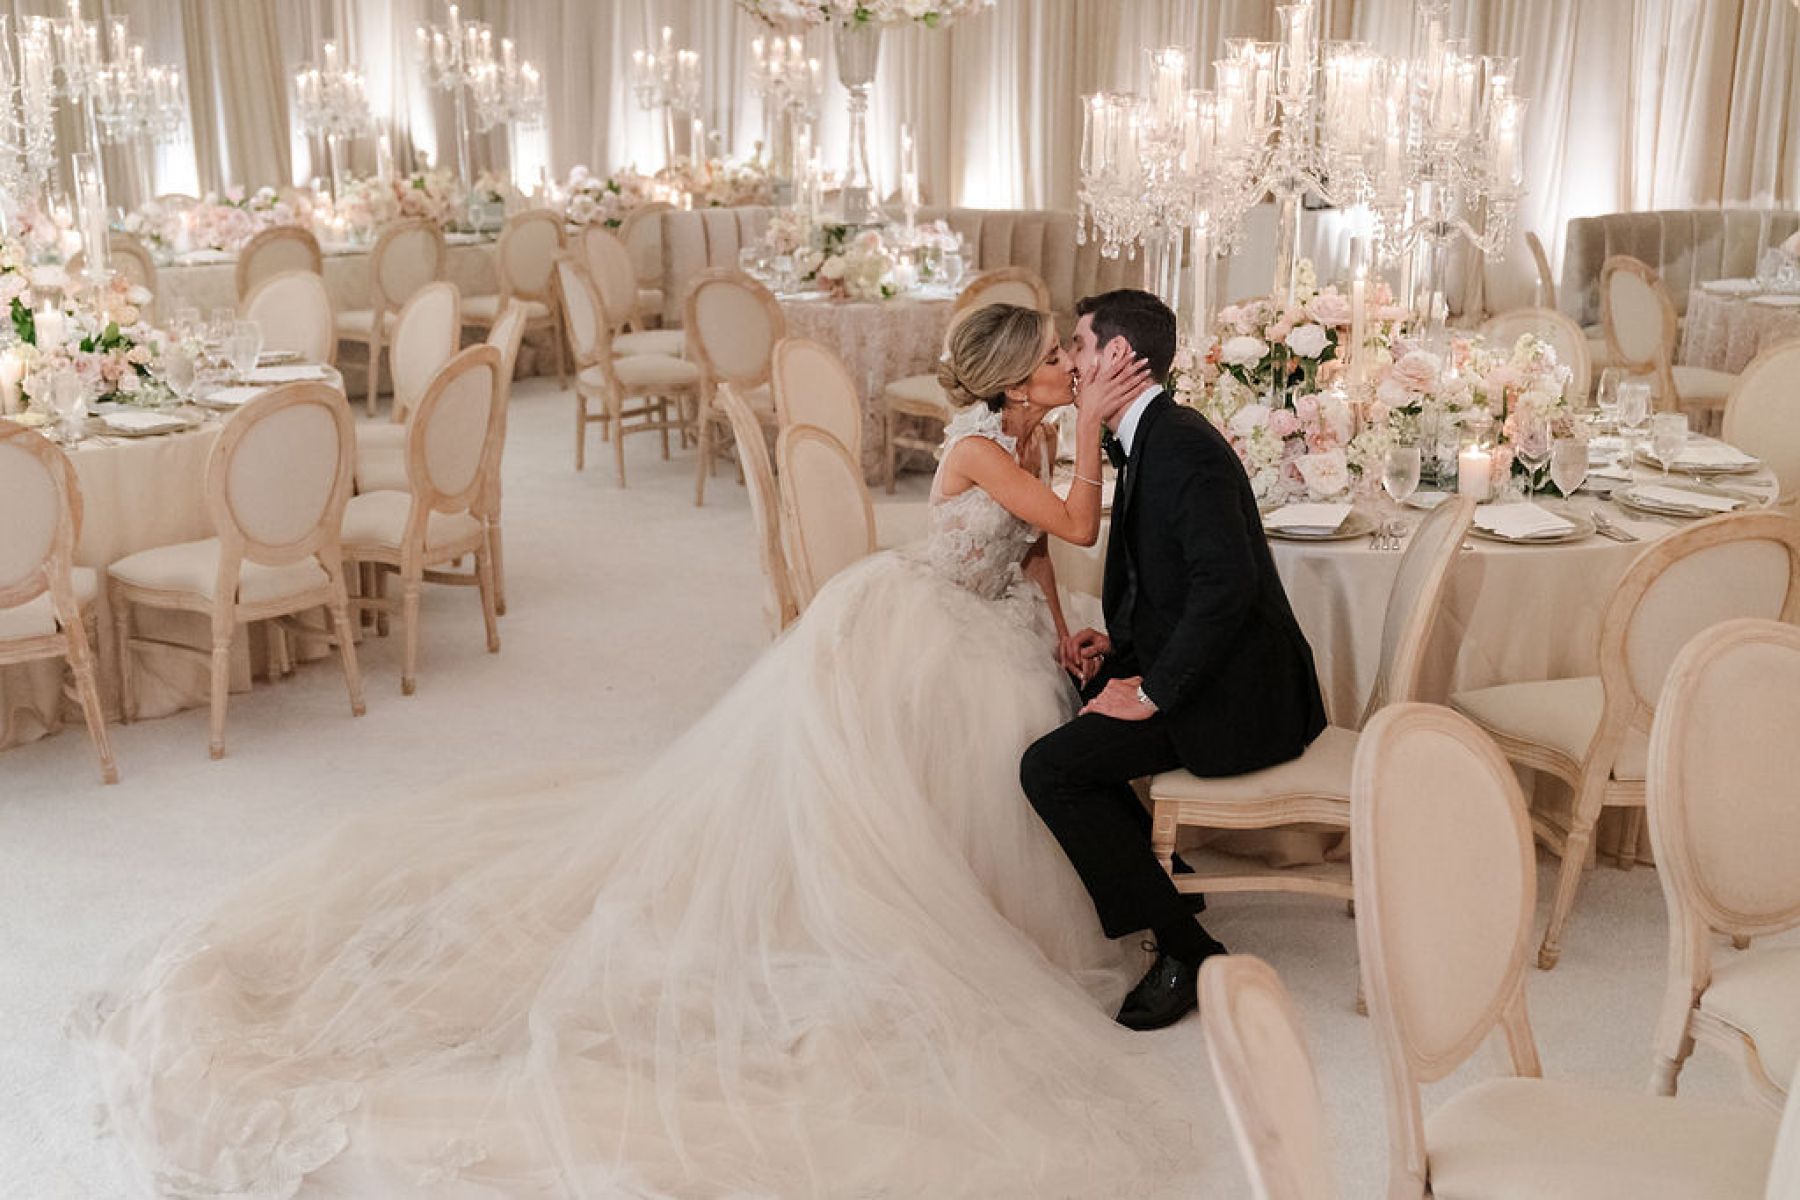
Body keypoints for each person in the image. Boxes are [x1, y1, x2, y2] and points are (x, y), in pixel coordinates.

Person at [84, 305, 1214, 1198]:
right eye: (1057, 361)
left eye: (1073, 360)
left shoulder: (1025, 431)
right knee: (960, 752)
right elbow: (1073, 520)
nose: (1071, 367)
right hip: (923, 626)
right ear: (1016, 380)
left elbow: (1034, 552)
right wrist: (1089, 436)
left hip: (993, 615)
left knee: (1032, 720)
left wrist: (1056, 622)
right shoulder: (981, 444)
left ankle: (1035, 887)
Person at [1021, 289, 1328, 1034]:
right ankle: (1161, 877)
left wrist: (1152, 690)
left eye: (1078, 346)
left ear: (1117, 355)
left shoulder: (1180, 444)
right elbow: (1167, 580)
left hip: (1239, 693)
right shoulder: (1153, 432)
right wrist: (1119, 652)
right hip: (1203, 666)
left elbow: (1226, 588)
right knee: (1071, 687)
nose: (1070, 362)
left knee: (1050, 769)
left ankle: (1189, 951)